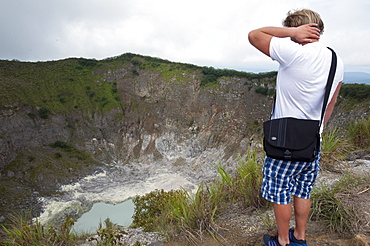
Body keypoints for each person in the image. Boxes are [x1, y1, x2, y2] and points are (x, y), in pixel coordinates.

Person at [248, 9, 344, 246]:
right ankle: (300, 238)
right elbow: (329, 104)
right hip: (313, 138)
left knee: (280, 192)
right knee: (303, 190)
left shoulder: (294, 53)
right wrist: (316, 132)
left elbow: (254, 35)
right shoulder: (336, 60)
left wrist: (292, 33)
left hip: (284, 140)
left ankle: (282, 241)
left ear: (299, 31)